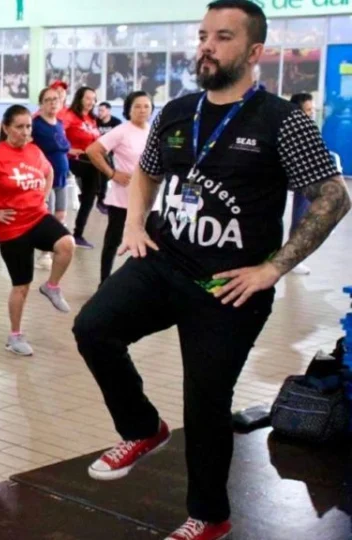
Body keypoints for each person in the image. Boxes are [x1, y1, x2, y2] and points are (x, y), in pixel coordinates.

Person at [72, 2, 350, 539]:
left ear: (254, 51)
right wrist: (135, 224)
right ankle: (142, 427)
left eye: (223, 37)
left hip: (230, 288)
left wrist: (272, 269)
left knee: (205, 403)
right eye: (203, 35)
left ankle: (210, 517)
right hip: (165, 261)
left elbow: (334, 197)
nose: (206, 46)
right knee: (93, 328)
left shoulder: (282, 121)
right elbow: (148, 173)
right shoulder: (177, 111)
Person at [0, 105, 74, 357]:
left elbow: (49, 172)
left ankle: (52, 286)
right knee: (21, 286)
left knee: (67, 244)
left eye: (28, 126)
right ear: (6, 128)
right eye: (19, 127)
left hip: (38, 217)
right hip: (12, 228)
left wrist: (43, 196)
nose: (25, 132)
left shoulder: (34, 151)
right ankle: (15, 336)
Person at [86, 91, 153, 284]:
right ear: (129, 110)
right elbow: (93, 150)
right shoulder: (121, 131)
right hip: (123, 198)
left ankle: (144, 284)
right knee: (113, 242)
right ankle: (104, 283)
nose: (142, 110)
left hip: (151, 200)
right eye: (137, 106)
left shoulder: (153, 131)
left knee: (151, 244)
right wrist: (112, 173)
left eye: (146, 106)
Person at [32, 87, 73, 270]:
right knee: (46, 216)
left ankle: (54, 247)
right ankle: (44, 254)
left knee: (60, 214)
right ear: (41, 104)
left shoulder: (60, 123)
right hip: (44, 177)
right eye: (48, 100)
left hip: (62, 176)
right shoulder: (36, 124)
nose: (52, 103)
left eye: (55, 99)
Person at [64, 86, 102, 249]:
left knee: (90, 196)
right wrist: (69, 149)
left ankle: (78, 234)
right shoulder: (70, 116)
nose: (91, 102)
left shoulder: (92, 119)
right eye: (87, 98)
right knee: (93, 187)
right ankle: (100, 196)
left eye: (93, 99)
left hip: (89, 160)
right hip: (74, 160)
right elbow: (56, 134)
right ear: (79, 98)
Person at [287, 92, 316, 276]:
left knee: (300, 219)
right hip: (285, 178)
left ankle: (293, 259)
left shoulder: (310, 128)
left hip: (304, 180)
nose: (311, 113)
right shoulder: (286, 128)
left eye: (312, 110)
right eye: (307, 110)